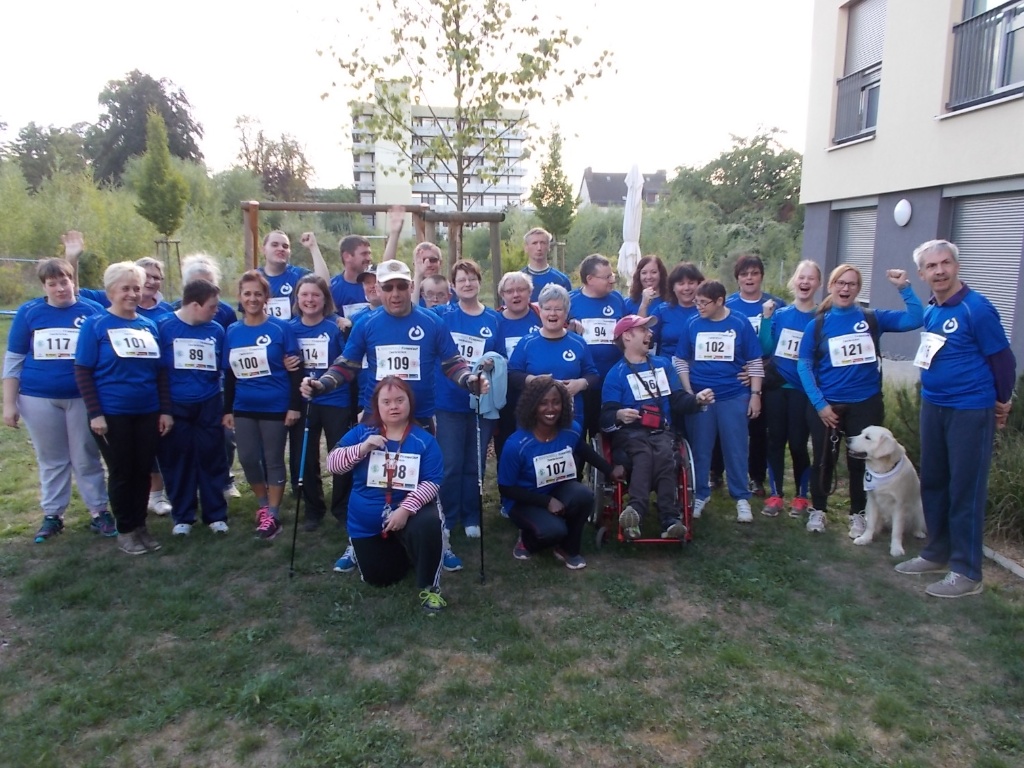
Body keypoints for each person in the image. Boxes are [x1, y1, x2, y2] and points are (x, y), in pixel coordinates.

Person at [301, 258, 488, 572]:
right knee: (368, 482)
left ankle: (440, 540)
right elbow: (347, 364)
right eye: (388, 287)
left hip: (421, 419)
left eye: (402, 286)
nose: (396, 293)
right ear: (379, 290)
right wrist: (321, 384)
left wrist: (470, 380)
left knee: (427, 481)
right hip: (377, 420)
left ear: (411, 287)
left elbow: (452, 363)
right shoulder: (367, 323)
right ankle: (358, 543)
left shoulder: (431, 322)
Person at [894, 240, 1015, 598]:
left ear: (956, 266)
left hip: (969, 410)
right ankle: (936, 551)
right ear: (922, 274)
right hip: (935, 406)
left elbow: (1003, 361)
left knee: (965, 488)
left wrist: (1001, 402)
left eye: (946, 263)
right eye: (932, 266)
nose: (940, 271)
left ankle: (966, 571)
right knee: (934, 480)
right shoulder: (933, 310)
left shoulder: (976, 309)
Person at [797, 264, 922, 536]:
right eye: (840, 283)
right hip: (827, 405)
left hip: (865, 403)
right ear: (830, 286)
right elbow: (804, 366)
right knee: (822, 460)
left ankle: (858, 513)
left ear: (858, 288)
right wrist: (820, 405)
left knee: (860, 462)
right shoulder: (817, 325)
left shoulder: (872, 318)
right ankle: (818, 510)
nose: (845, 288)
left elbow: (915, 318)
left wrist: (904, 287)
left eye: (851, 284)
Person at [3, 258, 113, 542]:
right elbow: (13, 360)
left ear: (73, 281)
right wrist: (9, 403)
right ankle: (53, 514)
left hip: (81, 397)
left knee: (85, 456)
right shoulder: (29, 312)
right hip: (38, 397)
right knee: (52, 458)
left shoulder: (92, 311)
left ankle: (99, 511)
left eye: (64, 281)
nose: (60, 288)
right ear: (44, 286)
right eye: (53, 284)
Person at [74, 261, 173, 555]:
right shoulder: (96, 325)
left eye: (136, 288)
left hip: (147, 411)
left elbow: (160, 373)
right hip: (112, 414)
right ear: (110, 292)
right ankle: (125, 529)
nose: (132, 293)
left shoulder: (148, 325)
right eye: (125, 288)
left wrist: (165, 410)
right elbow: (83, 371)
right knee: (122, 472)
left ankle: (140, 525)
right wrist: (95, 414)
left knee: (143, 470)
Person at [325, 377, 447, 613]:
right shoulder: (362, 433)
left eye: (400, 400)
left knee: (429, 522)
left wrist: (405, 509)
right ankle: (404, 551)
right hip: (366, 520)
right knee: (381, 579)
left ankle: (429, 585)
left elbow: (432, 482)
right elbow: (333, 465)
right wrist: (362, 449)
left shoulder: (424, 440)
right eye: (387, 401)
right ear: (377, 406)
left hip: (409, 514)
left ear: (409, 403)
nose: (394, 406)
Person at [600, 315, 714, 539]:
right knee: (643, 453)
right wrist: (620, 415)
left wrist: (697, 400)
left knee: (665, 455)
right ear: (627, 336)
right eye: (643, 330)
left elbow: (678, 399)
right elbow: (605, 416)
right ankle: (637, 510)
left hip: (661, 431)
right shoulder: (616, 374)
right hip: (631, 434)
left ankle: (669, 518)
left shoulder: (662, 365)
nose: (650, 334)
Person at [499, 378, 621, 569]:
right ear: (532, 406)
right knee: (554, 531)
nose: (551, 409)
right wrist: (546, 502)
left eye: (556, 402)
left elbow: (583, 450)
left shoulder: (570, 430)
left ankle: (568, 549)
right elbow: (506, 488)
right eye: (543, 403)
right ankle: (527, 540)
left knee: (583, 495)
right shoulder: (516, 445)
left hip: (556, 488)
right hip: (524, 500)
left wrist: (609, 469)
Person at [222, 270, 302, 540]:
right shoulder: (232, 331)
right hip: (244, 406)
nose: (253, 298)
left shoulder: (281, 328)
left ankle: (274, 514)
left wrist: (294, 406)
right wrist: (227, 409)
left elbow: (295, 370)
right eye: (247, 294)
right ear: (240, 297)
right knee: (246, 458)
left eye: (258, 293)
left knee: (273, 459)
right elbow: (230, 374)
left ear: (266, 297)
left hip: (275, 406)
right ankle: (262, 505)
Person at [675, 280, 764, 523]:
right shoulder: (692, 324)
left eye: (704, 303)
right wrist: (689, 391)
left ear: (720, 302)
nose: (699, 306)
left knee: (735, 447)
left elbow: (755, 362)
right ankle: (700, 493)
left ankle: (741, 497)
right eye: (697, 302)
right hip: (702, 397)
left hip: (733, 395)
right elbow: (680, 360)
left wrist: (755, 395)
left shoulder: (739, 323)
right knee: (700, 447)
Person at [434, 259, 501, 543]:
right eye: (461, 280)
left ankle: (472, 515)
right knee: (450, 463)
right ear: (453, 286)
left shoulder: (492, 320)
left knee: (475, 463)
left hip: (480, 404)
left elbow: (500, 360)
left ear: (479, 282)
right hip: (448, 401)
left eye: (472, 278)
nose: (467, 284)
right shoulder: (442, 316)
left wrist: (490, 363)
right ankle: (448, 516)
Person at [156, 279, 230, 535]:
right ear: (195, 305)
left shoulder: (217, 330)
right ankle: (183, 517)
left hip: (208, 402)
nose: (216, 311)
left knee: (212, 458)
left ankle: (216, 515)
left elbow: (223, 368)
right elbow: (158, 371)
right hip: (176, 405)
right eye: (212, 306)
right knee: (178, 461)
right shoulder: (164, 326)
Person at [758, 260, 821, 518]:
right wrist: (765, 319)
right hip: (776, 387)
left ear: (818, 283)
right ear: (794, 281)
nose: (805, 282)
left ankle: (801, 496)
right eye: (801, 278)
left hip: (803, 390)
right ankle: (775, 495)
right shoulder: (781, 314)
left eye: (811, 278)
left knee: (797, 443)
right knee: (775, 440)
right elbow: (764, 348)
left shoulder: (821, 317)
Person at [289, 275, 350, 531]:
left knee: (340, 455)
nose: (310, 300)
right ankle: (313, 508)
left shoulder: (335, 327)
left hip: (336, 400)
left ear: (325, 299)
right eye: (305, 295)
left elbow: (349, 362)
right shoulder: (288, 328)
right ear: (297, 299)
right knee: (304, 455)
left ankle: (342, 508)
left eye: (315, 295)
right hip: (304, 400)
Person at [177, 253, 240, 499]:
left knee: (223, 437)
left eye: (209, 283)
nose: (205, 289)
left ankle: (224, 480)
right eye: (198, 283)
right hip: (181, 394)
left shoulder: (223, 313)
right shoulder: (173, 313)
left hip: (215, 387)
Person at [725, 253, 788, 498]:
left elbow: (779, 344)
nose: (749, 278)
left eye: (754, 273)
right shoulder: (729, 305)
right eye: (744, 274)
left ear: (762, 276)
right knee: (728, 427)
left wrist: (756, 372)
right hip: (734, 375)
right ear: (737, 278)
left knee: (759, 429)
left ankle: (757, 478)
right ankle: (717, 472)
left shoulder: (777, 305)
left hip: (763, 375)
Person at [508, 284, 598, 429]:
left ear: (566, 312)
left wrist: (580, 384)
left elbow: (592, 374)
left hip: (571, 415)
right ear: (540, 311)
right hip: (534, 416)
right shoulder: (527, 342)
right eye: (548, 308)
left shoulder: (578, 342)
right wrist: (534, 381)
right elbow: (512, 374)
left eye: (558, 309)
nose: (552, 313)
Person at [569, 254, 626, 439]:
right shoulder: (570, 301)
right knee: (579, 431)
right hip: (583, 381)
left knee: (607, 432)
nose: (612, 280)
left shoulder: (617, 299)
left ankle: (606, 467)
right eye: (607, 277)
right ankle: (578, 467)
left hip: (612, 379)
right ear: (590, 279)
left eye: (612, 275)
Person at [494, 271, 540, 459]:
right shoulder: (495, 320)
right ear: (502, 295)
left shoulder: (540, 315)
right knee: (506, 439)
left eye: (521, 289)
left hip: (536, 389)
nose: (516, 295)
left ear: (530, 293)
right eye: (510, 291)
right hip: (505, 391)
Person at [258, 230, 330, 320]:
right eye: (274, 245)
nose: (281, 249)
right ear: (263, 250)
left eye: (285, 246)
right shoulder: (255, 278)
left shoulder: (298, 275)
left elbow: (324, 284)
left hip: (294, 332)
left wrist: (313, 247)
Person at [651, 262, 703, 359]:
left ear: (699, 285)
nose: (686, 288)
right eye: (681, 284)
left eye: (691, 283)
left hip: (700, 371)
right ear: (673, 287)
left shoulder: (708, 310)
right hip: (668, 369)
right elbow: (645, 339)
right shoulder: (662, 311)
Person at [522, 227, 571, 302]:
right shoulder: (519, 280)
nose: (539, 248)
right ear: (526, 248)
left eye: (543, 243)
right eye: (534, 243)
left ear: (549, 247)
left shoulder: (561, 280)